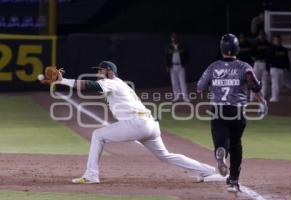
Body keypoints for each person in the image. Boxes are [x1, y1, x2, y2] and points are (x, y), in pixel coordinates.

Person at [46, 61, 225, 184]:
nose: (97, 73)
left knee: (97, 135)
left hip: (137, 123)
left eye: (100, 70)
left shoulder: (112, 82)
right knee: (165, 155)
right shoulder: (117, 84)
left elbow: (89, 86)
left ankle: (91, 175)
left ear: (109, 72)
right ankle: (206, 171)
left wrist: (63, 81)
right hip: (149, 124)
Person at [197, 34, 268, 193]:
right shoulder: (245, 67)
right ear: (237, 48)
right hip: (237, 112)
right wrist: (262, 102)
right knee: (236, 144)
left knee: (220, 137)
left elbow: (200, 88)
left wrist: (214, 87)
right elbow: (255, 87)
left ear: (221, 49)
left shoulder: (213, 67)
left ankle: (221, 151)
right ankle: (234, 180)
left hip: (219, 110)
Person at [165, 32, 190, 102]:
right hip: (172, 66)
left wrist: (185, 64)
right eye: (172, 37)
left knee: (182, 82)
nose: (174, 39)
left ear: (177, 38)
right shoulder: (169, 47)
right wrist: (167, 65)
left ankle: (185, 97)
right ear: (171, 38)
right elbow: (166, 56)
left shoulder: (182, 46)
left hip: (180, 66)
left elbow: (186, 55)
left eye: (175, 37)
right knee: (174, 82)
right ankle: (177, 96)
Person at [268, 35, 290, 102]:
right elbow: (268, 59)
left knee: (280, 84)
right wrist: (267, 69)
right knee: (275, 84)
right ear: (274, 41)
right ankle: (274, 98)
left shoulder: (284, 49)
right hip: (274, 68)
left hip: (281, 69)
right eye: (276, 40)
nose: (277, 42)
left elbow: (286, 59)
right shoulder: (271, 49)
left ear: (281, 41)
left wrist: (288, 68)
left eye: (279, 40)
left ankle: (277, 96)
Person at [252, 31, 271, 100]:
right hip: (257, 62)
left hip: (265, 63)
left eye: (263, 35)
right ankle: (253, 96)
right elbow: (251, 52)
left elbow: (270, 53)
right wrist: (254, 58)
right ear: (259, 36)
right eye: (261, 35)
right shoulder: (256, 44)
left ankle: (263, 96)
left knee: (265, 80)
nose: (262, 36)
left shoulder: (268, 44)